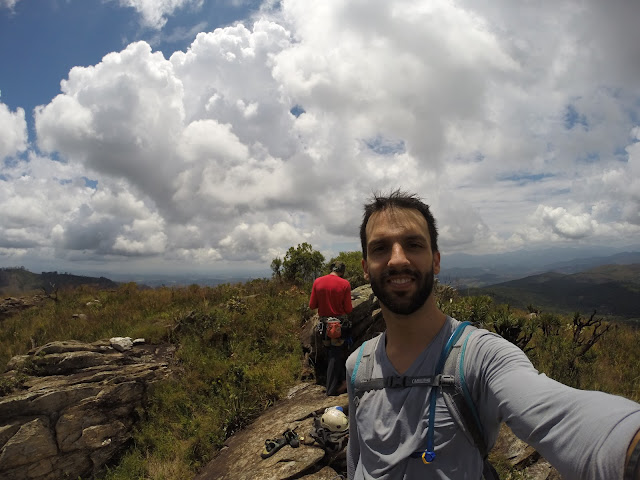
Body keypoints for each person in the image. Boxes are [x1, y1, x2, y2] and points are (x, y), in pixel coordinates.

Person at [346, 190, 640, 480]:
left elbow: (562, 414)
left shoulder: (480, 357)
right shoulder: (357, 366)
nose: (397, 260)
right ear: (365, 269)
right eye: (380, 248)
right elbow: (357, 457)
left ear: (436, 262)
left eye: (413, 244)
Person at [310, 261, 353, 396]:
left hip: (324, 326)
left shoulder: (318, 282)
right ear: (342, 271)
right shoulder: (344, 284)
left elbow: (312, 305)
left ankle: (341, 382)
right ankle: (332, 389)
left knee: (332, 353)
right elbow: (348, 309)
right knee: (336, 354)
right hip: (337, 326)